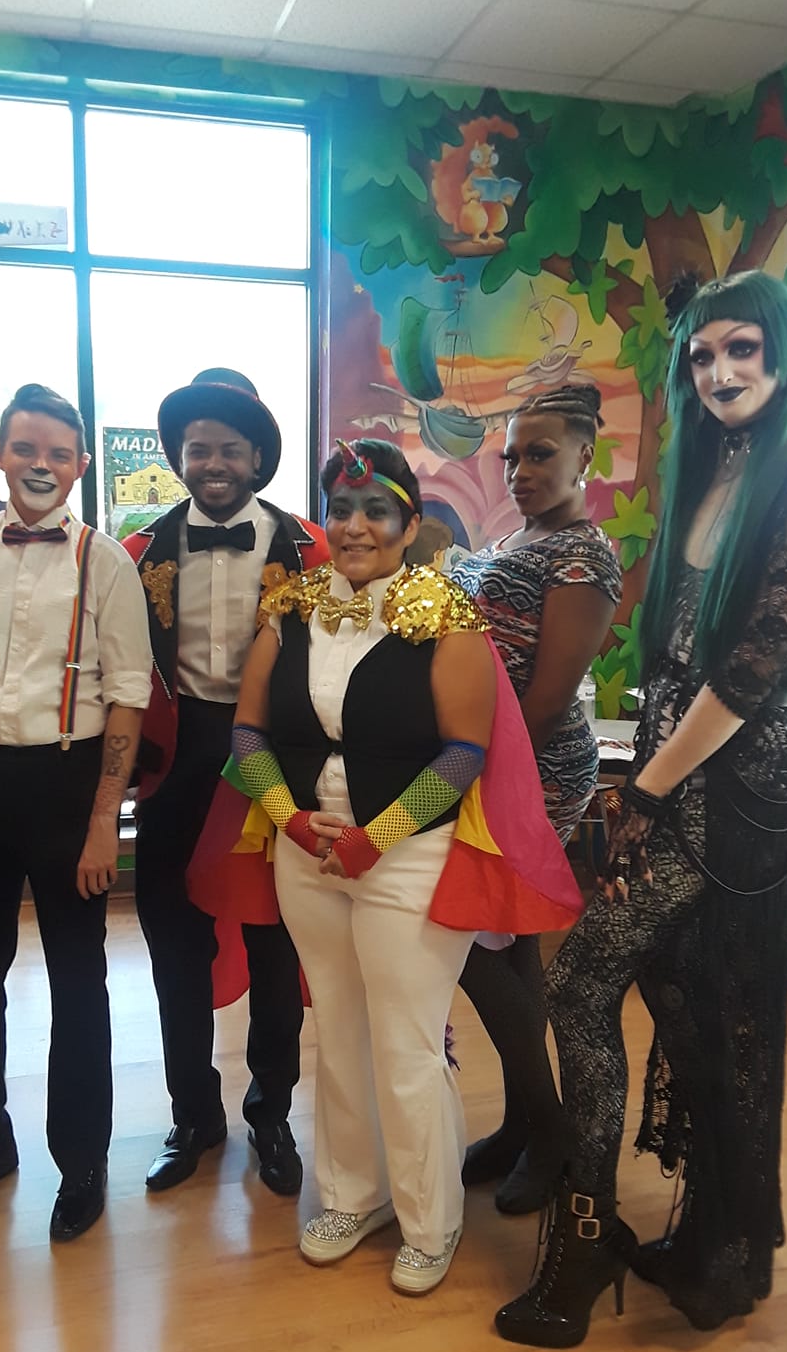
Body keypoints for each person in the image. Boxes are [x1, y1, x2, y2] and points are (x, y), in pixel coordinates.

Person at [494, 269, 787, 1347]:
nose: (720, 372)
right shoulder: (712, 464)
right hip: (668, 765)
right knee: (686, 1002)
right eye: (701, 355)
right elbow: (673, 656)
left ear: (782, 353)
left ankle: (586, 1237)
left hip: (741, 787)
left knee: (587, 979)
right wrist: (639, 777)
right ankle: (712, 1239)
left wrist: (646, 794)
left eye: (742, 349)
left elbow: (746, 677)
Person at [225, 438, 582, 1295]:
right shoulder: (290, 610)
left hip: (408, 858)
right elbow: (247, 734)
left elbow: (464, 752)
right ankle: (357, 1194)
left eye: (376, 511)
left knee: (408, 1039)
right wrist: (288, 819)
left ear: (410, 523)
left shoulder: (448, 617)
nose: (354, 527)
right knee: (338, 1029)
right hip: (306, 854)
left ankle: (431, 1219)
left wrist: (374, 837)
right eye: (341, 510)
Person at [0, 384, 152, 1242]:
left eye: (57, 453)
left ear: (79, 465)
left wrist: (102, 821)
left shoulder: (105, 561)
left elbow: (128, 697)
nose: (40, 465)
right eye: (25, 448)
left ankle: (81, 1162)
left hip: (68, 782)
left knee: (78, 979)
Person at [124, 368, 327, 1198]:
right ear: (179, 456)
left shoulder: (309, 549)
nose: (212, 463)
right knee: (172, 940)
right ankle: (192, 1114)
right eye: (198, 448)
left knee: (276, 940)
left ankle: (271, 1112)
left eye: (229, 449)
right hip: (176, 760)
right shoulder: (139, 551)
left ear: (256, 459)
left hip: (271, 758)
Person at [451, 384, 622, 1215]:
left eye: (540, 454)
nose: (519, 469)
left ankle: (552, 1134)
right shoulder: (517, 537)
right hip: (486, 761)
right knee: (509, 944)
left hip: (532, 770)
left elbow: (549, 698)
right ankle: (524, 1123)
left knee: (472, 944)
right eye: (511, 455)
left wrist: (468, 772)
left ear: (585, 456)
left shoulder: (583, 557)